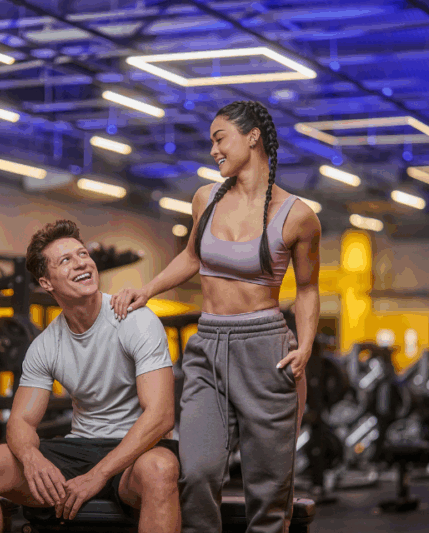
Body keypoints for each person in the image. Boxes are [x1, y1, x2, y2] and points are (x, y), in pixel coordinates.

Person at [111, 100, 321, 533]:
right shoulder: (205, 199)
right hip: (207, 346)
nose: (213, 151)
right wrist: (146, 291)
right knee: (198, 471)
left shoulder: (298, 216)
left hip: (266, 350)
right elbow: (191, 257)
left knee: (268, 490)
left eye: (219, 138)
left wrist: (306, 347)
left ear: (253, 137)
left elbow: (307, 288)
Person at [0, 219, 181, 533]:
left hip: (136, 453)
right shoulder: (45, 346)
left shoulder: (135, 321)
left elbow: (161, 416)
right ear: (47, 283)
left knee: (161, 468)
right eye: (66, 260)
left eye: (83, 255)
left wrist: (97, 476)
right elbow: (20, 422)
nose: (82, 263)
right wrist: (31, 457)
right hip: (79, 450)